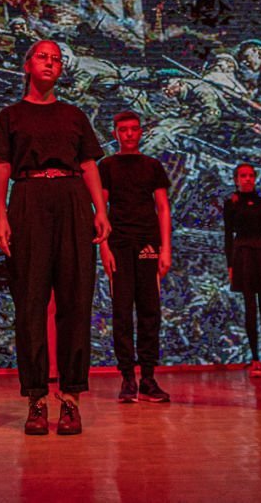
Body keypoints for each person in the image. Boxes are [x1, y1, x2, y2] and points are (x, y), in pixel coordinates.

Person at [0, 39, 113, 438]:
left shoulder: (74, 115)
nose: (50, 63)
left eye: (56, 59)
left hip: (72, 200)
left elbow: (89, 163)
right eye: (42, 57)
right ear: (27, 65)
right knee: (30, 303)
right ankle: (36, 399)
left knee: (76, 301)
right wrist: (1, 217)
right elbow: (2, 166)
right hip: (28, 199)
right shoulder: (10, 115)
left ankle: (71, 399)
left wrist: (100, 211)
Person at [98, 110, 173, 404]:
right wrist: (103, 247)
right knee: (121, 311)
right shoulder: (107, 166)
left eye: (133, 129)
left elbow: (163, 208)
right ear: (115, 133)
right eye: (123, 130)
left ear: (141, 132)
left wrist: (165, 248)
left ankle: (149, 378)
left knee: (149, 310)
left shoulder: (152, 166)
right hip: (118, 243)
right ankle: (127, 377)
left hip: (148, 243)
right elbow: (101, 210)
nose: (129, 134)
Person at [222, 162, 261, 375]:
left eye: (250, 175)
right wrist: (230, 264)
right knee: (250, 308)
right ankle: (255, 358)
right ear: (236, 180)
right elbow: (228, 236)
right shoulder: (231, 204)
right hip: (243, 255)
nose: (247, 179)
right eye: (243, 176)